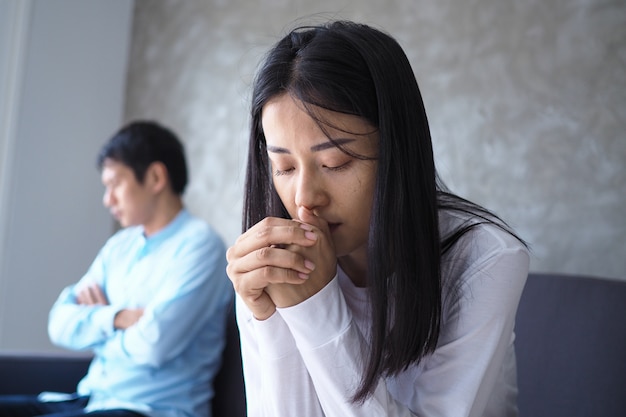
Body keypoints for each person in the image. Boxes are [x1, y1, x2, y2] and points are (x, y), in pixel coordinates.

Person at [226, 20, 530, 417]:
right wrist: (271, 318)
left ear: (397, 152)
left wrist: (315, 306)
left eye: (335, 162)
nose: (304, 199)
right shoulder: (267, 261)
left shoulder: (485, 260)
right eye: (283, 167)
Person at [0, 121, 232, 417]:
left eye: (115, 184)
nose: (107, 199)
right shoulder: (119, 246)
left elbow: (153, 345)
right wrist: (118, 317)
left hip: (148, 410)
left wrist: (95, 325)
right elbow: (58, 323)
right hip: (91, 399)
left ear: (155, 177)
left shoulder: (201, 247)